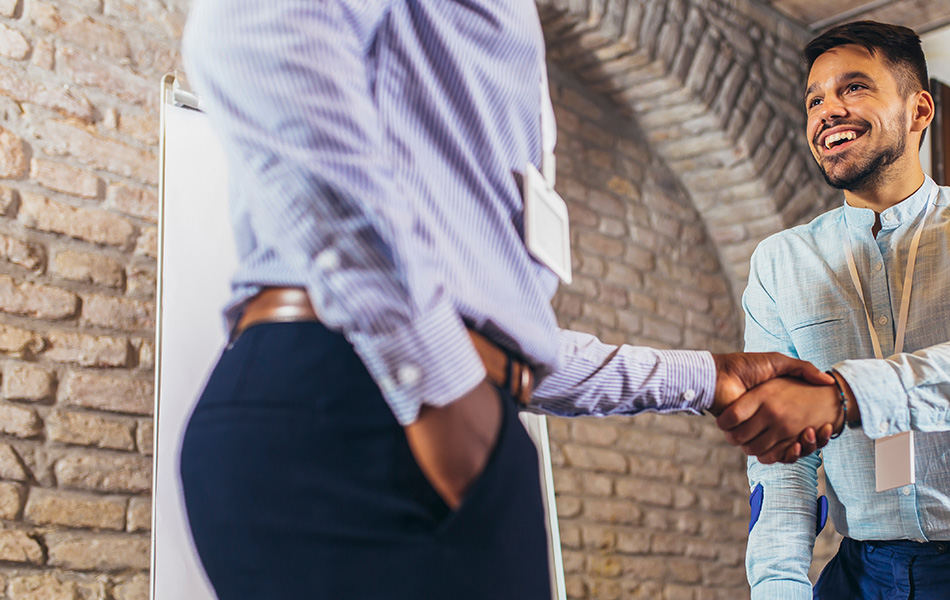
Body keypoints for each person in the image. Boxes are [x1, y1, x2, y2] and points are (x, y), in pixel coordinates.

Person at [176, 1, 836, 599]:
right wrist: (439, 383)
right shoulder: (429, 377)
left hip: (376, 400)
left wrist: (706, 378)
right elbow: (253, 37)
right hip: (375, 410)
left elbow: (497, 333)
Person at [716, 21, 950, 599]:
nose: (827, 111)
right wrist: (778, 585)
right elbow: (783, 459)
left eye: (854, 89)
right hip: (866, 571)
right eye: (814, 99)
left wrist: (844, 394)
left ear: (919, 109)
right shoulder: (781, 261)